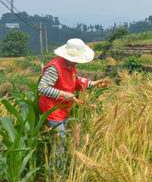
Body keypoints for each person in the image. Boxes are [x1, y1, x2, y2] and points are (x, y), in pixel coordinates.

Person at [38, 38, 109, 168]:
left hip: (64, 108)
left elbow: (75, 79)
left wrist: (92, 83)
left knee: (62, 142)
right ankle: (56, 176)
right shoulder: (54, 68)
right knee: (59, 144)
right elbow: (42, 88)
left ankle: (61, 169)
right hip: (53, 109)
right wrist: (64, 94)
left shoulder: (70, 65)